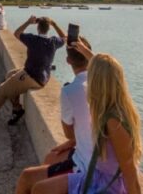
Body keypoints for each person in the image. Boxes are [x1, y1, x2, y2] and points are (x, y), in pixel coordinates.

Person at [30, 41, 143, 194]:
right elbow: (108, 70)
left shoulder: (114, 121)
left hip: (106, 182)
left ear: (96, 83)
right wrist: (84, 50)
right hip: (97, 172)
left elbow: (130, 173)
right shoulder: (111, 108)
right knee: (40, 185)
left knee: (40, 189)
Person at [14, 35, 92, 194]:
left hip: (87, 165)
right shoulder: (103, 84)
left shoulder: (70, 90)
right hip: (87, 151)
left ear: (68, 61)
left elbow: (69, 133)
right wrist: (72, 142)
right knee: (51, 158)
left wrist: (72, 140)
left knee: (27, 178)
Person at [0, 15, 66, 129]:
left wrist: (28, 22)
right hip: (42, 77)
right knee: (10, 75)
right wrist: (55, 24)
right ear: (49, 28)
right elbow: (65, 38)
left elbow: (17, 33)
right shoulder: (53, 41)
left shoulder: (33, 39)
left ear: (38, 28)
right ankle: (17, 109)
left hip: (32, 76)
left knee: (2, 91)